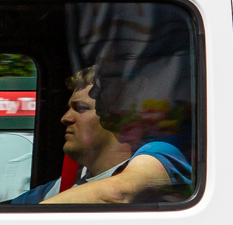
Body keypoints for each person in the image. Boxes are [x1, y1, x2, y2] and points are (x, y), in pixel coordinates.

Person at [10, 67, 193, 205]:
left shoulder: (162, 153)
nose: (65, 118)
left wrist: (33, 217)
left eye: (80, 108)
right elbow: (10, 209)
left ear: (117, 117)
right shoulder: (70, 181)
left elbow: (118, 193)